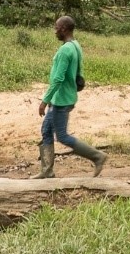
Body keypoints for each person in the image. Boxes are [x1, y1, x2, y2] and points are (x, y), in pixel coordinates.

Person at [36, 15, 107, 178]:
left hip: (61, 100)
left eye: (57, 28)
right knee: (46, 130)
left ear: (64, 29)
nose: (55, 31)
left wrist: (44, 101)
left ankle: (98, 157)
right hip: (66, 96)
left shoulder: (65, 50)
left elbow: (58, 79)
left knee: (62, 136)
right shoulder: (75, 46)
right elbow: (78, 74)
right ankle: (47, 171)